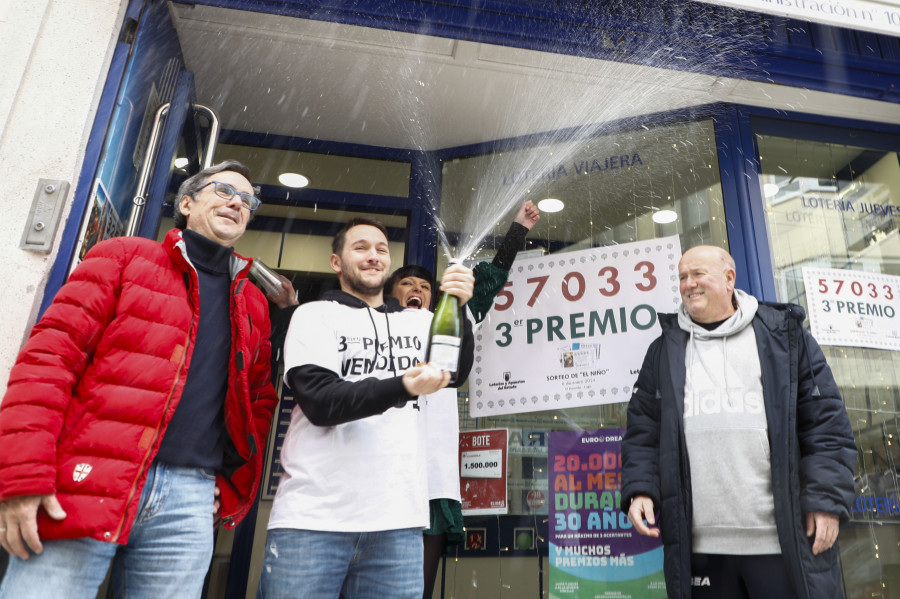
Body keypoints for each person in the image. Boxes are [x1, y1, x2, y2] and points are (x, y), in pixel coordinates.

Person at [0, 160, 279, 598]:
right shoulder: (124, 256)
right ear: (186, 203)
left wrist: (224, 485)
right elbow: (49, 362)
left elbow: (257, 402)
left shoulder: (254, 305)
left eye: (247, 200)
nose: (236, 203)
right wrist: (23, 475)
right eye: (224, 190)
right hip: (86, 478)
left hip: (190, 498)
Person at [620, 245, 856, 599]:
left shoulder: (784, 337)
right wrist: (640, 488)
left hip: (780, 541)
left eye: (698, 274)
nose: (689, 284)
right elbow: (643, 432)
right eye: (683, 277)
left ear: (729, 278)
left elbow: (825, 426)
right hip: (700, 549)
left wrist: (825, 501)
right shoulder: (664, 350)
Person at [257, 216, 475, 599]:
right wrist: (402, 385)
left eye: (380, 250)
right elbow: (323, 402)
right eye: (360, 248)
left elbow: (453, 371)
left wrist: (458, 305)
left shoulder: (420, 322)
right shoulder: (313, 316)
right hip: (313, 522)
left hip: (400, 526)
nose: (373, 256)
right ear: (336, 262)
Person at [384, 199, 539, 599]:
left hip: (432, 474)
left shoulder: (450, 323)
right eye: (407, 285)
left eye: (423, 286)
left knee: (419, 585)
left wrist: (518, 229)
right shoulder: (375, 326)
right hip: (382, 474)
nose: (416, 290)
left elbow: (491, 278)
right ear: (390, 295)